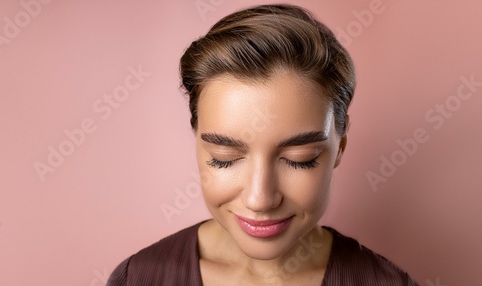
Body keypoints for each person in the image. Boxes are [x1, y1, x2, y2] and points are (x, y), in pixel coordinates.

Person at [107, 4, 419, 285]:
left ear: (340, 146)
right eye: (224, 158)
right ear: (197, 140)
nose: (260, 199)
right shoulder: (138, 279)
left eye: (300, 159)